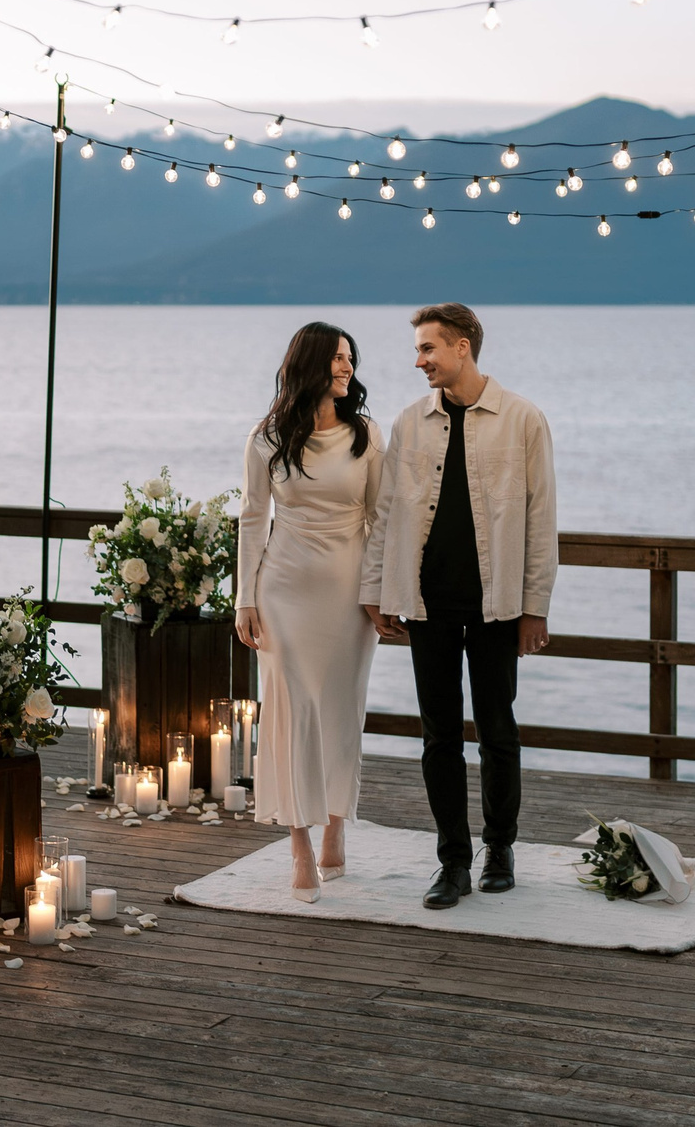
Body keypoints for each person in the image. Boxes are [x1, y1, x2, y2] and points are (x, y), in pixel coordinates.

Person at [361, 302, 557, 910]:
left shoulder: (522, 418)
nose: (419, 361)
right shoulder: (409, 422)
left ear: (462, 347)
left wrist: (535, 606)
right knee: (438, 736)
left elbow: (541, 518)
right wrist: (376, 590)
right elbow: (386, 512)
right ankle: (453, 862)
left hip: (498, 605)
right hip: (427, 603)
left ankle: (500, 849)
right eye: (418, 349)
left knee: (498, 732)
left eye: (428, 348)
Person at [236, 322, 386, 903]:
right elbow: (253, 518)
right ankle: (299, 845)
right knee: (294, 713)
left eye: (350, 359)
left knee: (343, 713)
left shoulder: (365, 434)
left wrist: (379, 591)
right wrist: (245, 599)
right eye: (338, 359)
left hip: (349, 595)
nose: (347, 368)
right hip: (284, 591)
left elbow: (380, 518)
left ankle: (336, 830)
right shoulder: (267, 438)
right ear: (311, 365)